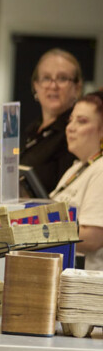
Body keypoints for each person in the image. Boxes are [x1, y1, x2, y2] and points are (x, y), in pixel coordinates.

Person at [50, 91, 103, 271]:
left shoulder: (101, 170)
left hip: (86, 286)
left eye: (81, 121)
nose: (70, 128)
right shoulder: (76, 168)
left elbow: (93, 238)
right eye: (70, 120)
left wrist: (41, 232)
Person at [22, 48, 83, 193]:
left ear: (77, 87)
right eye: (46, 78)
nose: (53, 86)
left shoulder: (76, 132)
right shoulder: (32, 130)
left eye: (62, 78)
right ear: (35, 85)